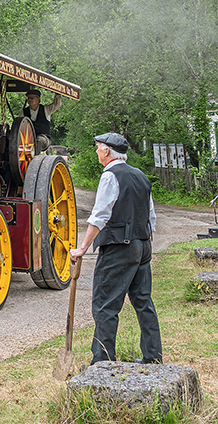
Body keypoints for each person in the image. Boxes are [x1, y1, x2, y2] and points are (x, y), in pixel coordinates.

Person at [69, 132, 162, 366]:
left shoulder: (110, 175)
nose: (97, 152)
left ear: (107, 151)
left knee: (105, 304)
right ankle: (153, 356)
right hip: (143, 245)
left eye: (99, 148)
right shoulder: (140, 176)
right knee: (143, 302)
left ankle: (102, 361)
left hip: (119, 247)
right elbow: (151, 217)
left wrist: (82, 248)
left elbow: (100, 216)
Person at [22, 89, 61, 153]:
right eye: (28, 98)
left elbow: (57, 105)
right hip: (27, 139)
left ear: (39, 99)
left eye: (32, 98)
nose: (30, 100)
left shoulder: (46, 109)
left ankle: (35, 159)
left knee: (39, 140)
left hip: (44, 139)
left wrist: (57, 94)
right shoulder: (23, 112)